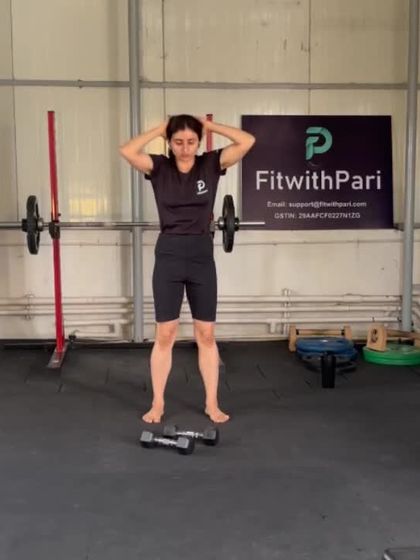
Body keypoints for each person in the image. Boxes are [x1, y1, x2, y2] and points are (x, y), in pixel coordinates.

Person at [119, 114, 255, 423]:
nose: (185, 148)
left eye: (191, 141)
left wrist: (210, 126)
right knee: (165, 333)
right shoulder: (159, 167)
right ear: (169, 142)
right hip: (169, 254)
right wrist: (159, 129)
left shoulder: (211, 164)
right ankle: (158, 404)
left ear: (199, 142)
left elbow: (247, 141)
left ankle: (211, 403)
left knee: (206, 334)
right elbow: (127, 150)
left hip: (200, 255)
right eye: (178, 142)